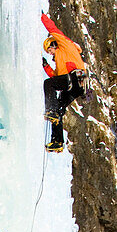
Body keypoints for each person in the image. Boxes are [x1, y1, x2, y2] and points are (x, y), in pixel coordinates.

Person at [42, 12, 87, 152]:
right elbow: (56, 76)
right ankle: (57, 142)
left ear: (54, 44)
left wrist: (42, 16)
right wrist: (45, 65)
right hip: (77, 85)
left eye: (49, 48)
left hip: (76, 77)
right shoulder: (60, 62)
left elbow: (53, 29)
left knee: (48, 84)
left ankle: (52, 110)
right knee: (59, 110)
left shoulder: (65, 46)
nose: (49, 52)